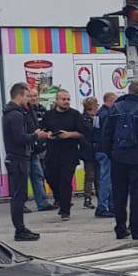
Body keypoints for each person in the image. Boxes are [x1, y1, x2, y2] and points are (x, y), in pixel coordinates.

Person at [103, 80, 138, 242]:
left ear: (128, 91)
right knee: (137, 194)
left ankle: (120, 228)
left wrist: (111, 153)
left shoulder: (115, 108)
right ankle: (137, 230)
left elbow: (106, 134)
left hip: (118, 158)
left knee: (119, 194)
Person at [2, 83, 42, 242]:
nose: (28, 100)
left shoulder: (11, 113)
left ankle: (21, 228)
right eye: (26, 96)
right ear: (19, 96)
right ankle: (20, 230)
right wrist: (35, 136)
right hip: (18, 158)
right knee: (19, 196)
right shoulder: (16, 115)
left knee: (20, 195)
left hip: (16, 158)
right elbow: (19, 138)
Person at [40, 89, 84, 220]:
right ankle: (59, 199)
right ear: (56, 100)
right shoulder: (49, 115)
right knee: (50, 177)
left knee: (65, 181)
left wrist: (68, 135)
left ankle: (65, 211)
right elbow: (42, 130)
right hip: (52, 152)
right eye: (63, 99)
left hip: (69, 153)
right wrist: (47, 135)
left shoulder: (75, 115)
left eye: (68, 99)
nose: (66, 102)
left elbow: (82, 133)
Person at [24, 82, 54, 211]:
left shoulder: (41, 109)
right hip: (25, 147)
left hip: (39, 147)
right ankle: (21, 204)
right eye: (30, 95)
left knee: (38, 174)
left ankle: (42, 203)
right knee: (22, 178)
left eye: (35, 95)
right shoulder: (23, 111)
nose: (33, 98)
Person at [92, 91, 116, 217]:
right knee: (106, 179)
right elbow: (106, 134)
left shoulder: (98, 113)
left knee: (105, 177)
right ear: (110, 101)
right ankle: (103, 206)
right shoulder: (107, 114)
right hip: (105, 150)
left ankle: (109, 205)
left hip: (98, 149)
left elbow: (95, 131)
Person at [78, 97, 99, 208]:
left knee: (98, 175)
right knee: (90, 175)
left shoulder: (96, 118)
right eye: (96, 105)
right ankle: (87, 198)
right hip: (88, 151)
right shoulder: (83, 119)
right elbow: (83, 136)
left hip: (96, 149)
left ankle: (100, 196)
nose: (97, 107)